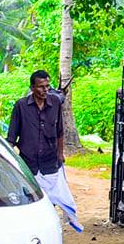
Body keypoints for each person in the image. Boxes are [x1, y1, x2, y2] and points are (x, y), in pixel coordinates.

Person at [8, 70, 81, 233]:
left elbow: (60, 131)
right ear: (32, 88)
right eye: (41, 87)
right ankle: (33, 229)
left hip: (50, 162)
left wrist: (60, 154)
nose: (45, 90)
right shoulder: (21, 106)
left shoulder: (55, 103)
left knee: (53, 199)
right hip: (29, 164)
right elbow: (12, 136)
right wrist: (8, 158)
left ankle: (49, 229)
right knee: (32, 200)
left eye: (48, 86)